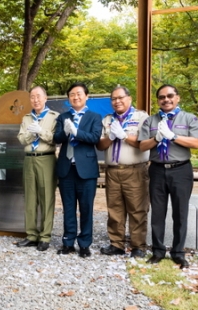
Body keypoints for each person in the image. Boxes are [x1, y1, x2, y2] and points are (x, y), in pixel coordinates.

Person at [138, 84, 198, 269]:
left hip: (181, 170)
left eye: (170, 96)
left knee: (180, 213)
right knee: (157, 213)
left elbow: (196, 143)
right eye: (162, 97)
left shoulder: (189, 118)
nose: (166, 99)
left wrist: (173, 136)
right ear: (158, 100)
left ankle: (178, 252)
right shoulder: (150, 121)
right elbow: (142, 146)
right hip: (157, 169)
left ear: (177, 97)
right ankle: (158, 251)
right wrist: (156, 139)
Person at [97, 86, 150, 258]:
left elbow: (144, 143)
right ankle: (116, 243)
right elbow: (100, 145)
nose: (117, 101)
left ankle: (138, 246)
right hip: (112, 171)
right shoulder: (107, 119)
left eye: (120, 98)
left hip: (135, 170)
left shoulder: (141, 117)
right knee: (115, 209)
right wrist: (111, 137)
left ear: (129, 98)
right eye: (113, 99)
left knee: (137, 209)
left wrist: (124, 135)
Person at [53, 82, 102, 258]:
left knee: (86, 208)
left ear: (86, 96)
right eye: (72, 94)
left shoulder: (94, 117)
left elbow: (95, 138)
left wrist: (77, 132)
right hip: (67, 168)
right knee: (68, 207)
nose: (75, 97)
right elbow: (56, 138)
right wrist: (66, 132)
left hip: (86, 170)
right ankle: (68, 242)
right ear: (68, 98)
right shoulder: (63, 116)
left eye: (79, 94)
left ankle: (84, 244)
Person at [16, 86, 59, 251]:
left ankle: (45, 236)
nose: (36, 99)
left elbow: (56, 138)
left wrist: (41, 132)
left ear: (45, 98)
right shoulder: (27, 118)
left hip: (46, 159)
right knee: (30, 198)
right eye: (32, 97)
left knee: (46, 198)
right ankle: (31, 235)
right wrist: (31, 134)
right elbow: (21, 139)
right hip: (29, 160)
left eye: (39, 96)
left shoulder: (55, 117)